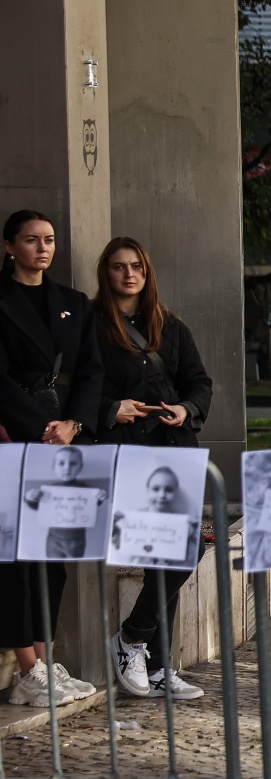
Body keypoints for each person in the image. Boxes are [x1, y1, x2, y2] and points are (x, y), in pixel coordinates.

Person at [92, 236, 213, 700]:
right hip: (126, 453)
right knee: (162, 555)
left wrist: (185, 408)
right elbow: (76, 386)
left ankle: (143, 649)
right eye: (120, 267)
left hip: (173, 452)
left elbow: (199, 381)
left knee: (180, 551)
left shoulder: (170, 325)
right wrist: (110, 408)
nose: (129, 275)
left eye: (137, 267)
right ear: (107, 272)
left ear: (147, 272)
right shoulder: (93, 324)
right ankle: (143, 649)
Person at [0, 210, 103, 708]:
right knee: (17, 556)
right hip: (15, 438)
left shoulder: (73, 303)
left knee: (55, 552)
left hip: (64, 438)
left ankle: (45, 658)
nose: (42, 248)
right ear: (9, 246)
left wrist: (73, 425)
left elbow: (90, 372)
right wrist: (38, 428)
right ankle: (26, 667)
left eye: (50, 240)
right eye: (31, 240)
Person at [23, 445, 107, 560]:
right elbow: (36, 505)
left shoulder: (87, 490)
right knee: (54, 567)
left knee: (75, 564)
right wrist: (30, 497)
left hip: (78, 539)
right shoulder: (48, 490)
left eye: (73, 464)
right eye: (61, 463)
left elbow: (94, 504)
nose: (67, 468)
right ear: (54, 467)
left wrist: (101, 496)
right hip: (54, 539)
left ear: (80, 467)